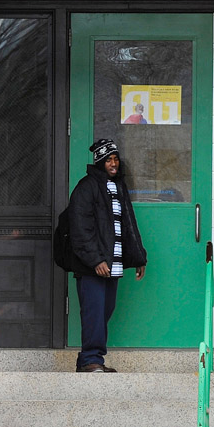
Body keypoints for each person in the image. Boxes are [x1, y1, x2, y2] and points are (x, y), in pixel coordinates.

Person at [58, 139, 147, 373]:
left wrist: (139, 258)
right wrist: (96, 260)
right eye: (108, 159)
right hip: (92, 266)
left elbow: (128, 224)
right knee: (94, 312)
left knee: (104, 311)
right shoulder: (87, 187)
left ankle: (89, 360)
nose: (113, 163)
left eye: (116, 159)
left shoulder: (118, 187)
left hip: (113, 264)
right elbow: (80, 227)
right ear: (99, 162)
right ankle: (91, 359)